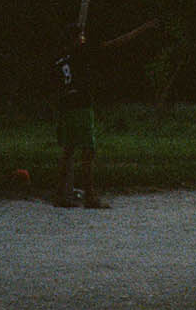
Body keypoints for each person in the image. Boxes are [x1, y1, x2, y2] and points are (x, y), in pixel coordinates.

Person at [50, 18, 157, 209]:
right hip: (81, 104)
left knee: (68, 151)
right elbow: (115, 44)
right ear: (76, 38)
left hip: (65, 105)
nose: (83, 38)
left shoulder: (59, 57)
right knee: (88, 151)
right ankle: (90, 196)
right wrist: (143, 29)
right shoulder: (81, 52)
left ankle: (59, 195)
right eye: (81, 36)